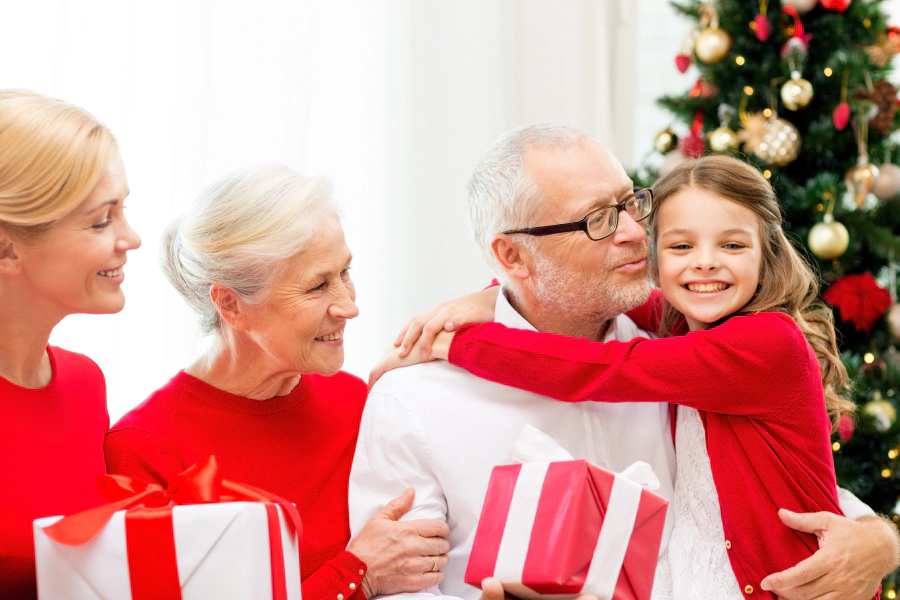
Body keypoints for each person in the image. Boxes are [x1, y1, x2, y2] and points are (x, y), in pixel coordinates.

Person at [353, 124, 899, 600]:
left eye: (631, 203)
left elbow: (766, 483)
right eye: (598, 219)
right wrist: (486, 303)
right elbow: (401, 589)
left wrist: (879, 539)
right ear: (512, 256)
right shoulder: (415, 399)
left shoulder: (674, 342)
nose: (637, 233)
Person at [103, 165, 450, 600]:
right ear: (231, 304)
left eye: (345, 272)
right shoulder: (147, 448)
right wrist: (356, 575)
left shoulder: (355, 401)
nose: (348, 306)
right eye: (316, 287)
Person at [0, 90, 142, 599]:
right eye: (102, 220)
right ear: (6, 249)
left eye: (124, 210)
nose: (131, 238)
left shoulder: (84, 384)